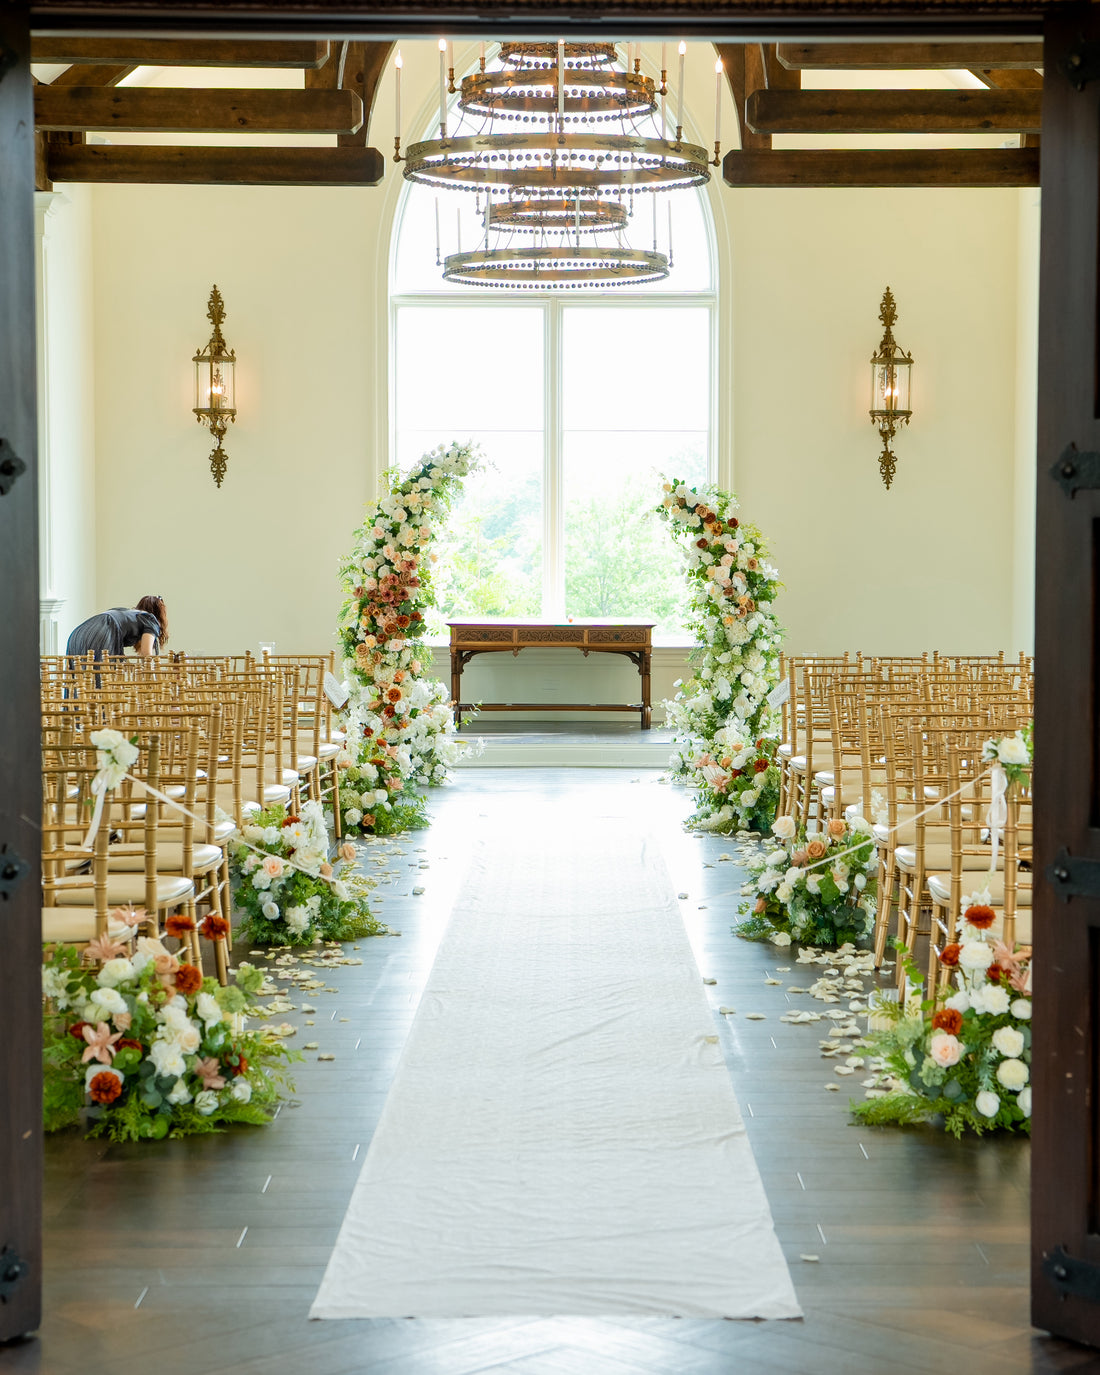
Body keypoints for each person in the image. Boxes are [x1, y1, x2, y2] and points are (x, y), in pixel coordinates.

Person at [65, 595, 169, 659]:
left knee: (80, 680)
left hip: (80, 633)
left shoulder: (128, 614)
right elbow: (146, 654)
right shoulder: (150, 619)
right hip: (102, 633)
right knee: (104, 682)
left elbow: (142, 652)